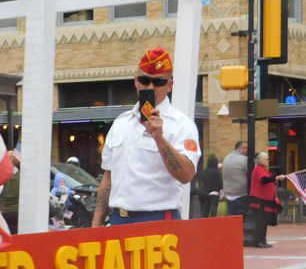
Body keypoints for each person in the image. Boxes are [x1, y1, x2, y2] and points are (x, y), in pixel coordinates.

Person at [92, 47, 200, 226]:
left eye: (158, 82)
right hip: (119, 220)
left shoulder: (181, 124)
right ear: (135, 81)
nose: (150, 87)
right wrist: (95, 226)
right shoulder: (121, 123)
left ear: (169, 85)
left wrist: (159, 138)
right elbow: (108, 179)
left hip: (157, 220)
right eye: (144, 80)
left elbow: (186, 175)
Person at [248, 152, 285, 248]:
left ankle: (263, 240)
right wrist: (276, 178)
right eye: (266, 159)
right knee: (261, 222)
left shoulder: (262, 169)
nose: (268, 161)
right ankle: (258, 241)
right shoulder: (258, 170)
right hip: (259, 200)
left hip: (264, 200)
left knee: (263, 222)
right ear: (260, 161)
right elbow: (263, 180)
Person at [222, 141, 249, 216]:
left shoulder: (226, 158)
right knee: (242, 218)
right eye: (245, 148)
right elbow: (251, 174)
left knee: (233, 219)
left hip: (228, 193)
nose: (247, 150)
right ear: (240, 148)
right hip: (241, 192)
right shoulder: (245, 159)